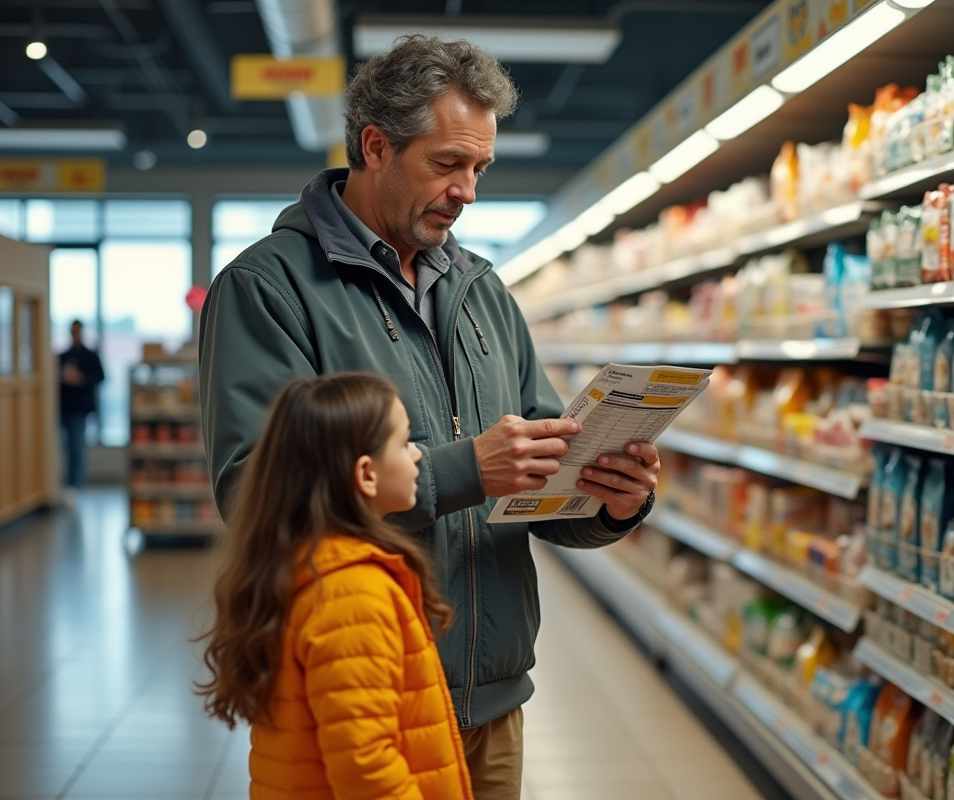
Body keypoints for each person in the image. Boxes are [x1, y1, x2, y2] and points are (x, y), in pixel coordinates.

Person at [199, 35, 659, 800]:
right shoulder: (269, 290)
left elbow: (541, 470)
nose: (468, 191)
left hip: (495, 702)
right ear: (375, 147)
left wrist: (611, 498)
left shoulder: (483, 292)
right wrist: (461, 471)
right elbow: (256, 498)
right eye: (447, 164)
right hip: (363, 696)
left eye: (480, 168)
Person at [197, 372, 473, 799]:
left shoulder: (306, 563)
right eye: (404, 443)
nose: (418, 454)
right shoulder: (353, 594)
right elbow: (367, 768)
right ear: (366, 474)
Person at [59, 319, 104, 504]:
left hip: (80, 410)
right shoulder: (63, 356)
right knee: (65, 447)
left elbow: (100, 377)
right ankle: (66, 484)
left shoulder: (90, 356)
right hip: (63, 408)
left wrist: (81, 378)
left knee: (77, 447)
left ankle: (74, 486)